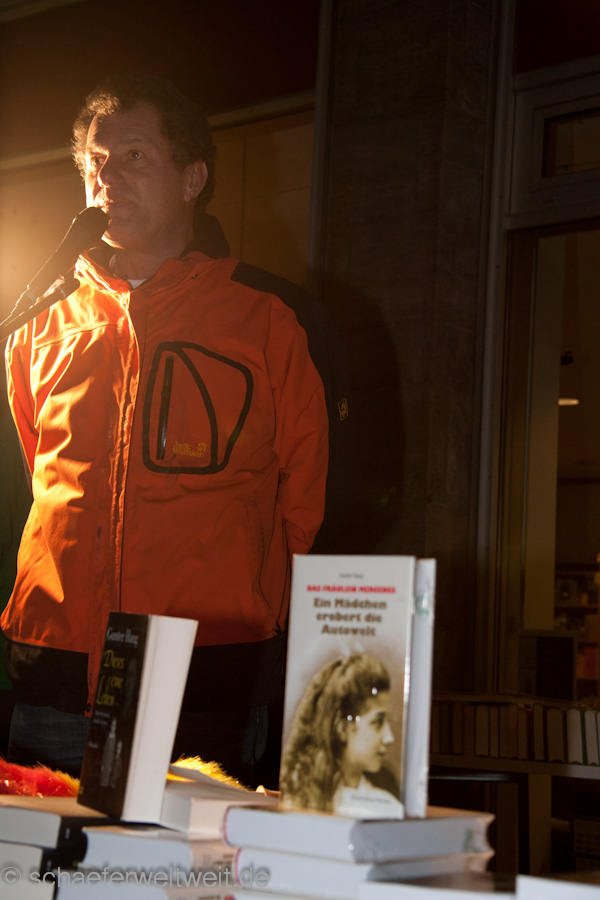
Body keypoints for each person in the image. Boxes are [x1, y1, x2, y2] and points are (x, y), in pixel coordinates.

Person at [2, 73, 349, 785]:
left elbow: (312, 505)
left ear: (194, 177)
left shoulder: (275, 318)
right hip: (54, 679)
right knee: (47, 858)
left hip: (208, 680)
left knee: (194, 859)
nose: (107, 178)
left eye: (135, 156)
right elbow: (39, 480)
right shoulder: (39, 323)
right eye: (96, 162)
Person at [279, 653, 405, 816]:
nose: (389, 738)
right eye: (378, 722)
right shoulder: (300, 797)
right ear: (342, 727)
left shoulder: (388, 806)